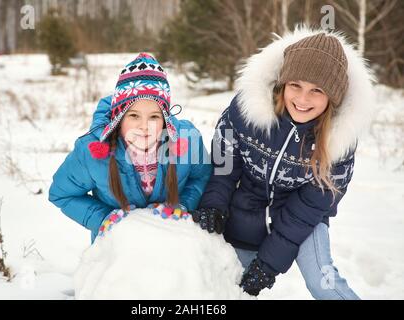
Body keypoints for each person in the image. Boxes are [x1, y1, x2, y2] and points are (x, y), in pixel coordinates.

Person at [192, 28, 374, 299]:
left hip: (302, 218)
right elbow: (224, 166)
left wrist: (268, 264)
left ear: (332, 98)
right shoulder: (247, 111)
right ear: (282, 83)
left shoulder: (338, 144)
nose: (302, 99)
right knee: (229, 282)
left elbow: (308, 209)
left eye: (317, 91)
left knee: (320, 280)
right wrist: (214, 205)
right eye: (295, 85)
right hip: (247, 206)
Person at [49, 52, 212, 243]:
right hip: (119, 250)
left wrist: (183, 204)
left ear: (165, 119)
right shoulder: (91, 151)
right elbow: (62, 193)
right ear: (119, 118)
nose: (144, 126)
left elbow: (202, 176)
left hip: (171, 244)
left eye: (154, 116)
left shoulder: (187, 140)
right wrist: (102, 219)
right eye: (134, 116)